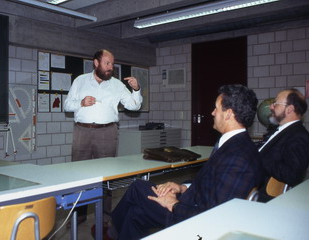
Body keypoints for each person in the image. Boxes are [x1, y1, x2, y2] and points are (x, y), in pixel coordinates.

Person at [110, 85, 263, 240]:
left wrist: (173, 204)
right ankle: (115, 232)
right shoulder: (236, 145)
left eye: (216, 109)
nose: (212, 113)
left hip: (195, 219)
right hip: (193, 202)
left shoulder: (238, 157)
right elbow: (209, 182)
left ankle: (111, 231)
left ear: (229, 114)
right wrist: (182, 187)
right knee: (135, 214)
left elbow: (216, 215)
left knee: (137, 187)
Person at [64, 49, 143, 223]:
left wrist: (136, 89)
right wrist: (81, 103)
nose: (111, 67)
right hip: (82, 131)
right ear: (96, 63)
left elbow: (133, 106)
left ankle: (105, 216)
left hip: (107, 132)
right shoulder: (80, 81)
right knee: (78, 174)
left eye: (112, 64)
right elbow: (67, 105)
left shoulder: (117, 84)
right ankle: (79, 215)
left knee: (106, 175)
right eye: (107, 63)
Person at [258, 88, 309, 202]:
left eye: (275, 104)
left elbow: (292, 174)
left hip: (259, 190)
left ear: (289, 109)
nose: (271, 107)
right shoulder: (281, 130)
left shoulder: (299, 135)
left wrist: (259, 156)